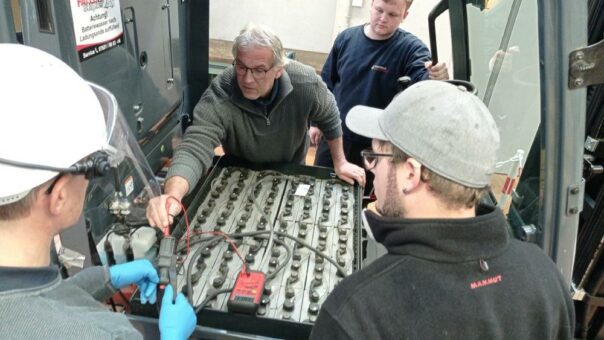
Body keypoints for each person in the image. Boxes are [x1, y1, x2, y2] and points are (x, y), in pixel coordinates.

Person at [310, 80, 574, 339]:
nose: (372, 169)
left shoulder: (355, 314)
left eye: (375, 156)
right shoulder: (545, 276)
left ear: (411, 174)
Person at [0, 43, 196, 340]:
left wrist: (99, 280)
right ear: (59, 195)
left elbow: (20, 303)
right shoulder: (108, 334)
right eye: (92, 169)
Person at [146, 24, 365, 229]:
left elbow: (330, 116)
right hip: (239, 173)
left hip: (292, 169)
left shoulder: (305, 82)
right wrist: (173, 195)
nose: (247, 79)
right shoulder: (221, 93)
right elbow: (196, 146)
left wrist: (340, 162)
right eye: (241, 67)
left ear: (279, 69)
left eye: (259, 70)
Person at [311, 0, 449, 193]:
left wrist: (437, 77)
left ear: (405, 16)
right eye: (379, 10)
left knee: (360, 199)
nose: (383, 18)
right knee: (319, 190)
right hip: (334, 138)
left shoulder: (411, 50)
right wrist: (316, 123)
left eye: (392, 15)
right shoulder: (346, 39)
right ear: (372, 5)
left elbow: (424, 83)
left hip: (374, 148)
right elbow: (326, 85)